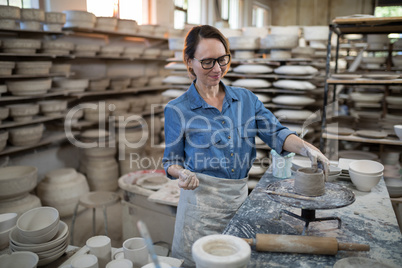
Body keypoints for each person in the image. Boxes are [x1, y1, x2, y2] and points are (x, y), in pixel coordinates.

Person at [162, 25, 329, 267]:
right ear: (190, 62)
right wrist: (182, 173)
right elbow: (170, 162)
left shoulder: (246, 100)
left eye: (222, 59)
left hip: (239, 202)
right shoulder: (178, 109)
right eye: (207, 62)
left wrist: (306, 148)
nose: (218, 69)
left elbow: (276, 132)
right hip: (199, 209)